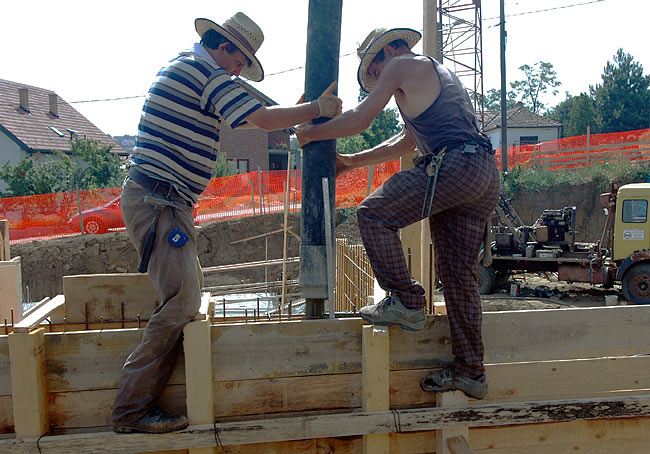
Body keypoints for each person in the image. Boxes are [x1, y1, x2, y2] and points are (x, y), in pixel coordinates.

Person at [112, 12, 342, 434]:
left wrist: (295, 109)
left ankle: (138, 405)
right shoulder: (205, 72)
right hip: (160, 201)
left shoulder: (188, 66)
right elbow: (264, 119)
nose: (239, 72)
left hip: (164, 201)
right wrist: (316, 109)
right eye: (240, 62)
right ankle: (130, 411)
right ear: (224, 48)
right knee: (182, 302)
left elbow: (261, 111)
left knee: (186, 298)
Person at [296, 27, 499, 399]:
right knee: (458, 278)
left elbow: (360, 119)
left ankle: (406, 300)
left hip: (454, 166)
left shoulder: (402, 63)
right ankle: (471, 371)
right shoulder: (437, 76)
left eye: (375, 71)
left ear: (387, 50)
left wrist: (314, 135)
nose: (377, 80)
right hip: (482, 174)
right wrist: (352, 162)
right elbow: (406, 141)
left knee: (373, 214)